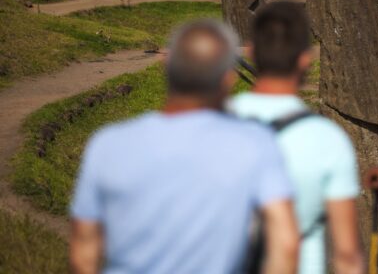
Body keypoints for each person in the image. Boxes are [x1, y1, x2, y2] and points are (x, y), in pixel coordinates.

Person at [69, 20, 299, 274]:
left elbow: (84, 247)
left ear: (165, 65)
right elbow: (285, 243)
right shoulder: (255, 144)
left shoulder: (107, 144)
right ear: (229, 79)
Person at [228, 1, 364, 274]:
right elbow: (347, 254)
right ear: (306, 58)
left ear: (252, 53)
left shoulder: (214, 124)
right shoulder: (328, 141)